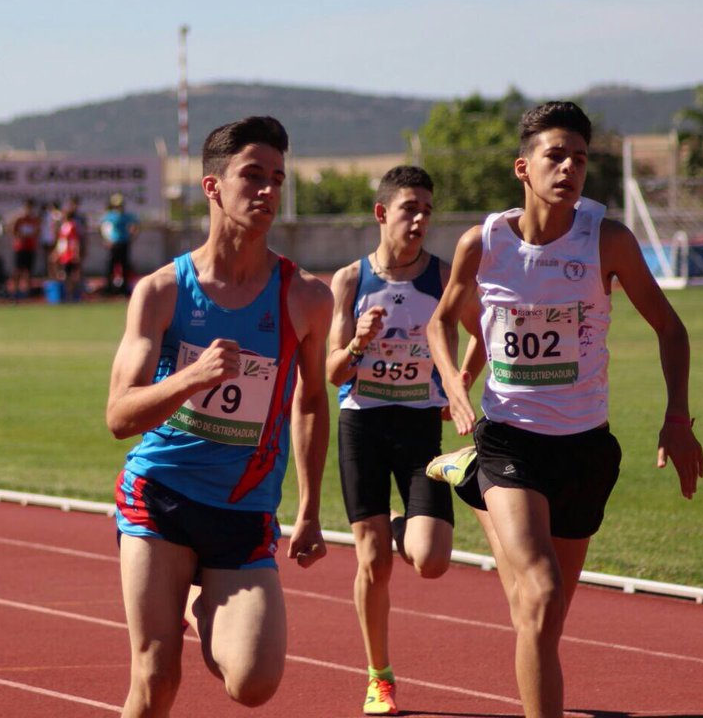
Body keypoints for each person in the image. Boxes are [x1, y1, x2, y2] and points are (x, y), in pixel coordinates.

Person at [425, 101, 703, 718]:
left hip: (586, 447)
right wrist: (452, 382)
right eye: (556, 155)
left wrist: (677, 419)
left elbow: (672, 330)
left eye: (580, 157)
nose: (570, 167)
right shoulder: (485, 243)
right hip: (510, 439)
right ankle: (481, 472)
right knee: (543, 593)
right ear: (523, 167)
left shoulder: (607, 239)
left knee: (541, 620)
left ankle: (466, 475)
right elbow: (440, 321)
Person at [107, 116, 333, 717]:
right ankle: (184, 587)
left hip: (243, 509)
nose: (266, 191)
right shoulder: (161, 291)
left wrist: (309, 508)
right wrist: (191, 378)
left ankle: (200, 598)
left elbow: (311, 401)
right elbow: (119, 415)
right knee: (155, 678)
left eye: (277, 179)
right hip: (161, 496)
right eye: (251, 176)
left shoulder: (305, 297)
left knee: (253, 683)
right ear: (213, 186)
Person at [327, 165, 485, 715]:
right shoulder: (349, 280)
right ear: (381, 213)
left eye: (426, 210)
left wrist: (456, 384)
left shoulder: (442, 276)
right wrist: (356, 345)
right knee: (372, 561)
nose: (419, 219)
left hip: (420, 426)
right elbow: (331, 372)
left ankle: (403, 527)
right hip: (363, 424)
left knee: (431, 560)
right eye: (408, 209)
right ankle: (380, 677)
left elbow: (481, 332)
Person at [101, 193, 140, 295]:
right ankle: (109, 287)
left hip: (123, 243)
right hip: (113, 243)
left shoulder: (126, 216)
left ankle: (124, 288)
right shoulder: (110, 216)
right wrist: (107, 239)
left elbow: (135, 226)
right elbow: (104, 228)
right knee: (111, 265)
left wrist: (131, 237)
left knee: (124, 265)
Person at [9, 198, 41, 299]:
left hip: (30, 247)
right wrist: (19, 236)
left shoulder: (34, 219)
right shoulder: (19, 219)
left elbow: (37, 231)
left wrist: (32, 235)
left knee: (29, 271)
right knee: (18, 270)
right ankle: (15, 292)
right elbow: (12, 229)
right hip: (20, 247)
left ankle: (26, 292)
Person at [55, 200, 85, 301]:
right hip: (64, 254)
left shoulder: (72, 226)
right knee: (66, 274)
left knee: (72, 274)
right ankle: (68, 294)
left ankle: (74, 294)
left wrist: (75, 253)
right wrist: (57, 252)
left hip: (70, 254)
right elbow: (61, 241)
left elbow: (74, 241)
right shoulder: (63, 226)